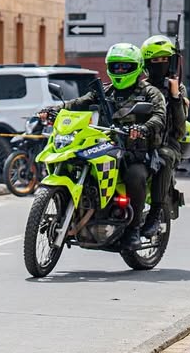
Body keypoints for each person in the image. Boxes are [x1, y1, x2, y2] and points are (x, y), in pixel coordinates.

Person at [43, 43, 166, 249]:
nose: (120, 70)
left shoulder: (150, 92)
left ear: (136, 67)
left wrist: (143, 128)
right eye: (116, 66)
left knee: (135, 176)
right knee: (76, 162)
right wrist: (55, 109)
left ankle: (133, 229)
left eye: (125, 67)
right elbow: (78, 103)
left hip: (135, 151)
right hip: (105, 146)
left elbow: (159, 117)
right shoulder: (104, 91)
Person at [140, 35, 187, 236]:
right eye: (155, 60)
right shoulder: (141, 87)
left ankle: (155, 214)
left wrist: (175, 97)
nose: (160, 64)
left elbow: (180, 129)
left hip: (167, 143)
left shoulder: (177, 88)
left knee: (164, 157)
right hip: (139, 141)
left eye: (164, 60)